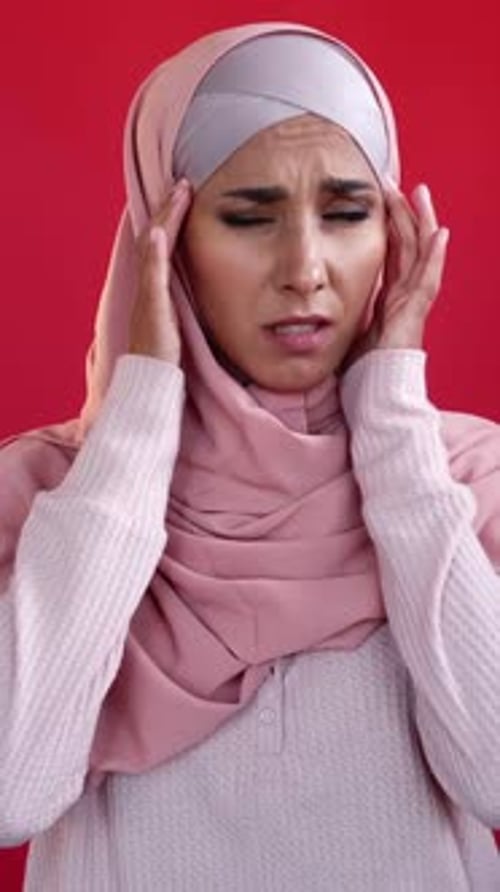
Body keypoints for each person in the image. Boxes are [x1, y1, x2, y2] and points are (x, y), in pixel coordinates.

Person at [0, 20, 499, 891]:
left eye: (347, 214)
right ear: (165, 239)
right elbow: (10, 792)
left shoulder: (466, 480)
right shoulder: (44, 496)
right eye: (247, 216)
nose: (305, 268)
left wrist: (394, 427)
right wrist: (136, 432)